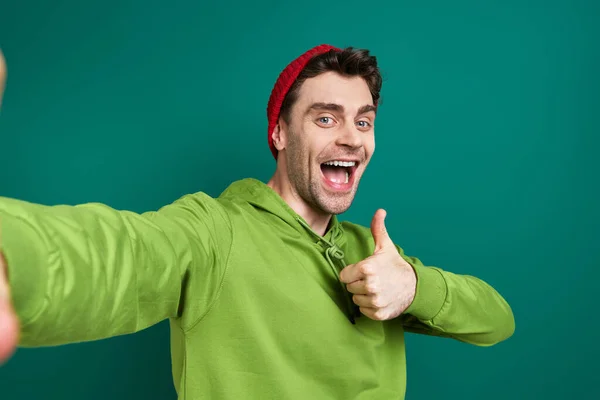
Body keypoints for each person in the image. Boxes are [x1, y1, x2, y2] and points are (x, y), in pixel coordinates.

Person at [0, 44, 515, 399]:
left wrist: (414, 287)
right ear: (280, 134)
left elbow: (498, 320)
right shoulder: (214, 232)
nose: (353, 138)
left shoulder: (374, 254)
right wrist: (13, 258)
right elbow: (125, 253)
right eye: (326, 118)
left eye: (364, 121)